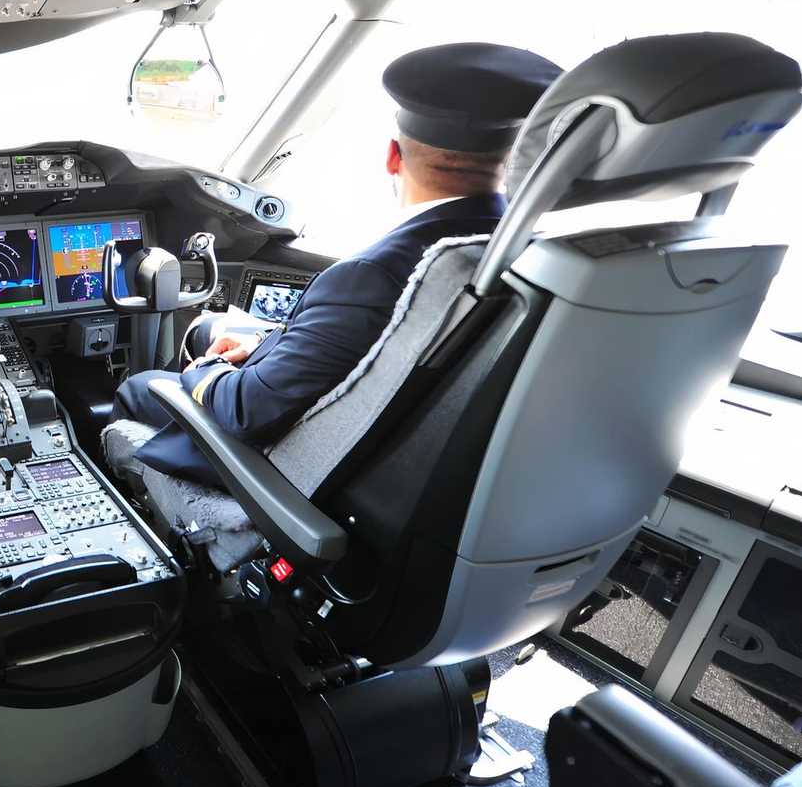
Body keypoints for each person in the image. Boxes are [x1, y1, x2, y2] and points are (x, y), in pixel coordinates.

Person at [114, 42, 563, 488]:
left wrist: (203, 372)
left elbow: (248, 411)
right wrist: (271, 348)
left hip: (297, 474)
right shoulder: (527, 249)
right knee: (214, 330)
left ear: (392, 156)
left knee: (142, 386)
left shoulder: (372, 277)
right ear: (506, 162)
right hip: (428, 460)